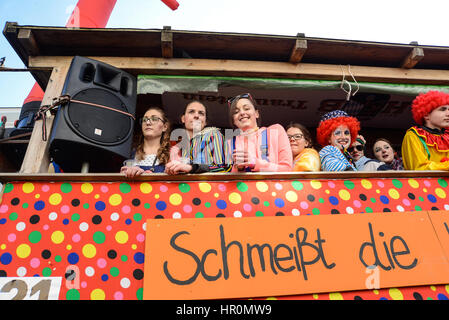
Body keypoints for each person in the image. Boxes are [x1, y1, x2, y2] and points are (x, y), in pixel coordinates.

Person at [228, 93, 292, 172]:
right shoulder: (229, 142)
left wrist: (255, 163)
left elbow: (287, 169)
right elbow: (226, 179)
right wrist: (239, 168)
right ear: (233, 120)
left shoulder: (276, 131)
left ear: (256, 114)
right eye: (236, 112)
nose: (242, 113)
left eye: (246, 108)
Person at [165, 100, 231, 174]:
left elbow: (224, 167)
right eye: (191, 112)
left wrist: (192, 168)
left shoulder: (213, 135)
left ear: (205, 121)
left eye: (201, 113)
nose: (196, 116)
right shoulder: (179, 147)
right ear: (183, 119)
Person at [402, 90, 449, 170]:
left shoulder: (447, 137)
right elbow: (419, 168)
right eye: (443, 109)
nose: (448, 113)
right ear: (426, 115)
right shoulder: (414, 136)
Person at [120, 106, 171, 178]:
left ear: (164, 127)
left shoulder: (171, 154)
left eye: (154, 119)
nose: (148, 122)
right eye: (144, 119)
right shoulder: (129, 153)